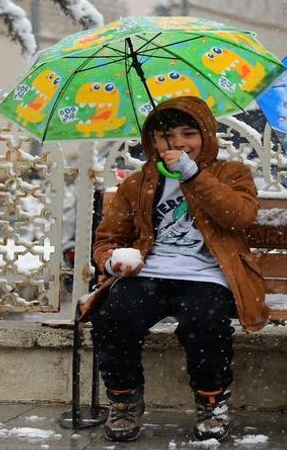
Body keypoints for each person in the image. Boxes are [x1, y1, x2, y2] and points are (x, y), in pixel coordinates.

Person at [90, 96, 269, 442]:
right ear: (152, 142)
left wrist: (193, 174)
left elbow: (240, 217)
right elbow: (107, 238)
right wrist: (113, 259)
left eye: (189, 133)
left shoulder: (231, 174)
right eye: (166, 136)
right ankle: (124, 399)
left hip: (207, 276)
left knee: (205, 321)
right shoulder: (138, 183)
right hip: (150, 274)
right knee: (113, 315)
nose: (179, 143)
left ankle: (211, 401)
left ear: (206, 135)